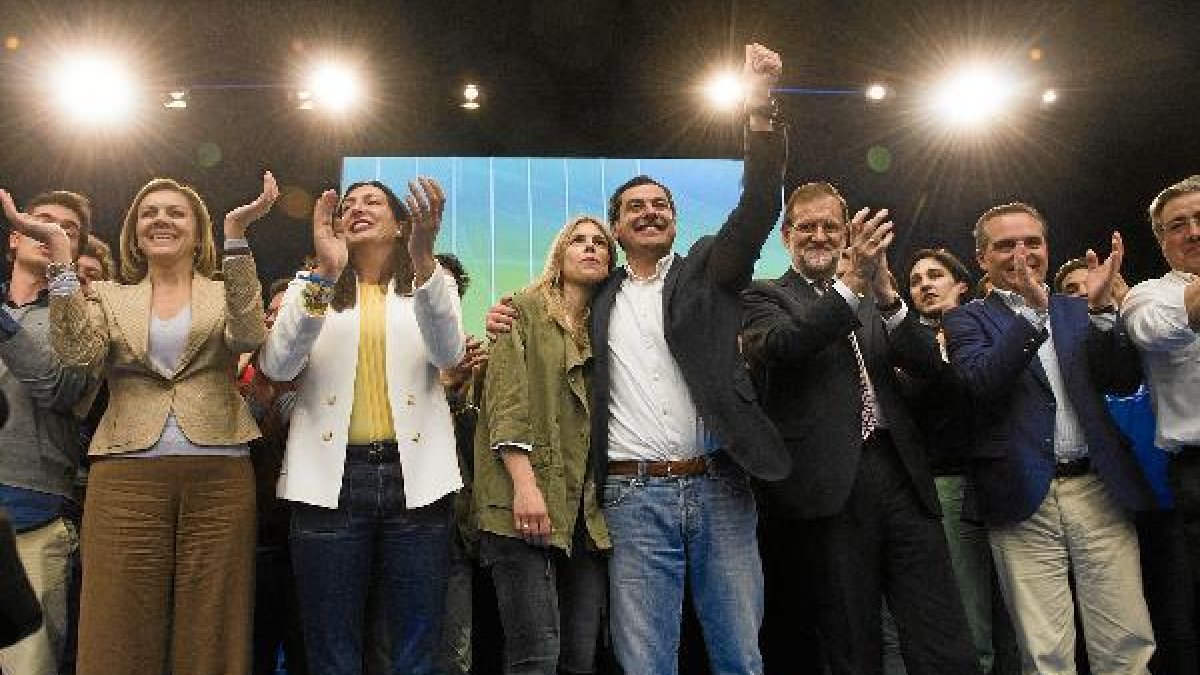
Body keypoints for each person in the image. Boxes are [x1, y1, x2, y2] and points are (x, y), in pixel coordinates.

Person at [488, 43, 789, 675]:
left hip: (719, 490)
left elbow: (759, 205)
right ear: (618, 230)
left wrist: (759, 112)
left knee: (740, 656)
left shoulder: (709, 270)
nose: (650, 213)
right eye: (634, 209)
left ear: (675, 223)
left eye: (661, 206)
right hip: (630, 498)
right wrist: (501, 319)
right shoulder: (593, 302)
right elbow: (543, 347)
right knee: (645, 662)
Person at [2, 173, 276, 674]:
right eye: (148, 213)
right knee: (117, 625)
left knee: (213, 623)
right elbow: (78, 353)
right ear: (134, 233)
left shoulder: (222, 289)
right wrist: (62, 260)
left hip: (219, 476)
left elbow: (248, 333)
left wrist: (237, 234)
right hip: (125, 475)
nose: (161, 220)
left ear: (198, 232)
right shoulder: (108, 295)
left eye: (176, 212)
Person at [741, 183, 978, 675]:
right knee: (850, 638)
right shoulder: (763, 295)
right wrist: (852, 286)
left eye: (831, 226)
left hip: (903, 477)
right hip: (829, 489)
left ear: (846, 233)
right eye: (807, 226)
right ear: (786, 236)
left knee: (941, 630)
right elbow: (786, 346)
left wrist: (890, 297)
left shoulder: (875, 301)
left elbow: (936, 375)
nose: (820, 236)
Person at [258, 177, 465, 675]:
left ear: (400, 225)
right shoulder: (311, 288)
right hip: (331, 482)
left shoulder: (429, 283)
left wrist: (423, 261)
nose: (356, 209)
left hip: (415, 480)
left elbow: (449, 354)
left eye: (372, 202)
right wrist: (327, 271)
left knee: (417, 639)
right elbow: (280, 366)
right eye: (347, 205)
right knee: (331, 642)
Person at [944, 202, 1158, 673]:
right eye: (1005, 245)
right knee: (1045, 655)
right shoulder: (966, 320)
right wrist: (1032, 315)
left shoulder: (1080, 308)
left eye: (1032, 242)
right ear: (982, 258)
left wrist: (1103, 312)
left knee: (1126, 643)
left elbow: (1123, 380)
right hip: (1021, 497)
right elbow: (981, 382)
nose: (1022, 252)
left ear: (1047, 246)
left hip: (1098, 490)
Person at [475, 215, 617, 674]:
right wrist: (525, 486)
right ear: (560, 254)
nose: (591, 248)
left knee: (580, 657)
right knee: (535, 657)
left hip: (585, 512)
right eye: (579, 240)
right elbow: (505, 406)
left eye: (601, 243)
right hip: (521, 503)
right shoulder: (520, 310)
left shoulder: (610, 325)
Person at [0, 189, 94, 675]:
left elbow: (60, 388)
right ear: (15, 237)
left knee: (27, 666)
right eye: (40, 222)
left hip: (31, 511)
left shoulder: (84, 318)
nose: (50, 231)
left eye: (66, 229)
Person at [1123, 174, 1200, 668]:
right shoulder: (1148, 296)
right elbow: (1161, 333)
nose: (1193, 232)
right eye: (1178, 225)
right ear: (1161, 239)